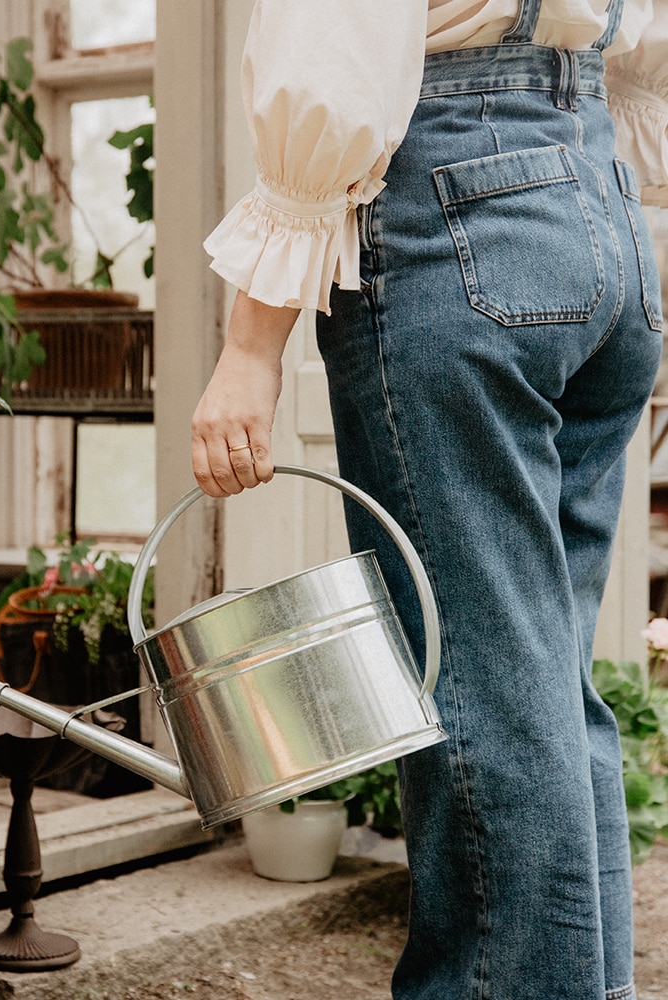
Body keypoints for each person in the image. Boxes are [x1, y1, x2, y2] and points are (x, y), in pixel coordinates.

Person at [191, 2, 666, 998]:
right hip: (596, 202)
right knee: (546, 678)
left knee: (481, 696)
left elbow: (334, 54)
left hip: (458, 208)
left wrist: (249, 345)